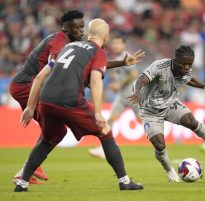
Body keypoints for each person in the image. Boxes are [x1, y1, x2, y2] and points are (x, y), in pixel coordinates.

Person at [10, 10, 144, 185]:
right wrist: (96, 111)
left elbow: (49, 73)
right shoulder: (62, 43)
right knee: (102, 131)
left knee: (54, 134)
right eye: (78, 26)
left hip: (43, 92)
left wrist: (31, 106)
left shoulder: (70, 46)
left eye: (83, 26)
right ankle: (125, 181)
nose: (81, 30)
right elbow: (87, 78)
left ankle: (24, 179)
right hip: (35, 87)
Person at [128, 45, 205, 182]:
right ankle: (169, 171)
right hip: (150, 111)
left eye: (189, 64)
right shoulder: (160, 66)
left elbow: (191, 80)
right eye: (183, 63)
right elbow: (141, 79)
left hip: (170, 104)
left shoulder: (186, 71)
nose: (186, 67)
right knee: (159, 144)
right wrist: (137, 91)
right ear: (175, 60)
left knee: (191, 121)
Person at [89, 35, 139, 158]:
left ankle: (165, 138)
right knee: (111, 119)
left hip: (130, 93)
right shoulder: (118, 57)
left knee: (142, 119)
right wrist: (115, 84)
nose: (115, 45)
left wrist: (119, 84)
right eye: (114, 43)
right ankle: (104, 149)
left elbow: (134, 74)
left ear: (124, 45)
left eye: (118, 43)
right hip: (124, 94)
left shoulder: (124, 56)